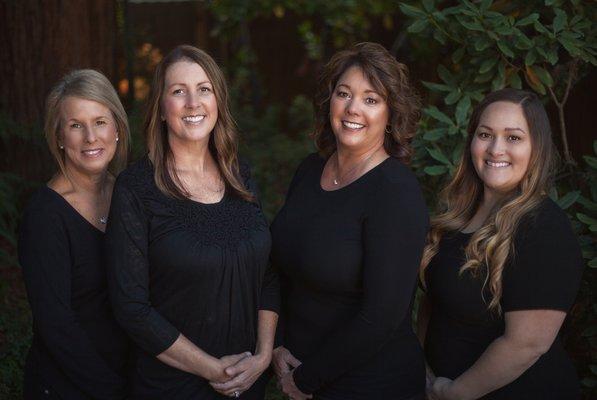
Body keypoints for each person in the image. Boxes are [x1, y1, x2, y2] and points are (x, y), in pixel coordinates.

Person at [105, 45, 278, 399]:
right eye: (178, 91)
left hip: (248, 383)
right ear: (162, 108)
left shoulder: (239, 174)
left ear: (218, 101)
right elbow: (132, 308)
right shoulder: (136, 189)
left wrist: (262, 356)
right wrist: (216, 370)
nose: (192, 103)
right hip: (173, 386)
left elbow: (268, 274)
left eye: (203, 89)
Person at [270, 42, 428, 400]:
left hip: (370, 383)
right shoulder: (310, 171)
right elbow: (279, 268)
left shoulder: (395, 192)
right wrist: (276, 346)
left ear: (392, 113)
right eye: (344, 94)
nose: (353, 108)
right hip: (301, 371)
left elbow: (381, 317)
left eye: (371, 99)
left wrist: (307, 379)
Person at [418, 88, 583, 400]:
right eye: (485, 134)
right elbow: (434, 300)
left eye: (513, 137)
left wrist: (456, 392)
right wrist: (424, 370)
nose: (496, 148)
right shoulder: (457, 217)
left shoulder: (543, 227)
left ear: (537, 148)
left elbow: (527, 344)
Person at [18, 69, 130, 399]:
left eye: (100, 121)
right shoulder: (45, 215)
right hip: (70, 386)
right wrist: (115, 392)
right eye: (76, 125)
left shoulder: (130, 195)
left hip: (133, 376)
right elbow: (56, 326)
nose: (91, 137)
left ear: (117, 129)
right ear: (59, 138)